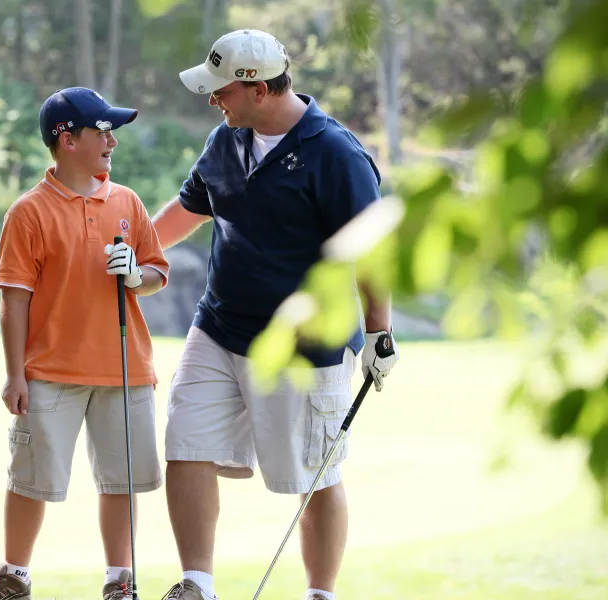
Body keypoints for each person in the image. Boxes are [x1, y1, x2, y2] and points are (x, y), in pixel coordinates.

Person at [151, 30, 400, 600]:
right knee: (185, 443)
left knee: (314, 475)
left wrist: (380, 332)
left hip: (303, 345)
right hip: (219, 326)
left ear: (257, 89)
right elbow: (189, 209)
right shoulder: (226, 140)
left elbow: (371, 250)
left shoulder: (335, 154)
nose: (213, 101)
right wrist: (135, 250)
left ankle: (320, 593)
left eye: (221, 92)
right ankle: (197, 585)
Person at [0, 87, 171, 600]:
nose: (112, 141)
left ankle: (120, 582)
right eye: (102, 131)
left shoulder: (127, 202)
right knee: (30, 479)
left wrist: (138, 275)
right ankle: (13, 575)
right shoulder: (28, 213)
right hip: (50, 370)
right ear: (67, 139)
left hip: (124, 368)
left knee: (121, 482)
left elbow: (159, 272)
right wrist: (15, 373)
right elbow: (14, 299)